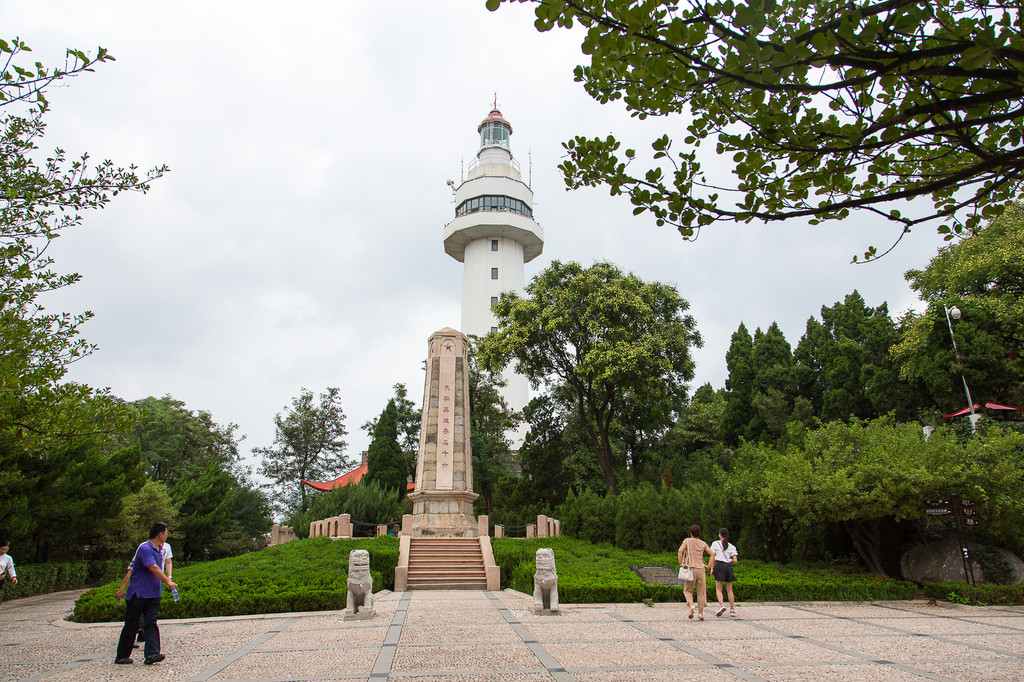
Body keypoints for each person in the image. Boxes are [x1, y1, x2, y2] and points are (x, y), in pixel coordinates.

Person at [115, 522, 177, 665]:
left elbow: (163, 565)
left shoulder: (160, 549)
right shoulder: (145, 548)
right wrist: (168, 581)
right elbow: (153, 568)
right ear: (160, 534)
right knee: (131, 624)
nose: (167, 535)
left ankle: (152, 654)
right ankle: (122, 655)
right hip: (139, 593)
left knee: (151, 623)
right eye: (166, 532)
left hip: (153, 594)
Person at [678, 524, 714, 621]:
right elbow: (712, 554)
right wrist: (709, 566)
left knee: (687, 590)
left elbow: (680, 551)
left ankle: (691, 606)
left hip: (690, 568)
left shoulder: (687, 541)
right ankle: (701, 613)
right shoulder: (703, 543)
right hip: (701, 568)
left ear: (691, 533)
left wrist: (681, 563)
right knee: (701, 591)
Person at [711, 527, 739, 617]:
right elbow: (735, 560)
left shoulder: (715, 544)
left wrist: (712, 569)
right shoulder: (732, 546)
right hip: (728, 567)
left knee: (719, 589)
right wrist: (729, 560)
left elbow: (713, 557)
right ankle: (732, 609)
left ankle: (722, 605)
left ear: (720, 535)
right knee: (730, 590)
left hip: (719, 566)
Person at [0, 541, 17, 611]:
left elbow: (11, 568)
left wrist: (13, 577)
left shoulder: (8, 558)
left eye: (6, 550)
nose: (4, 551)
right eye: (2, 549)